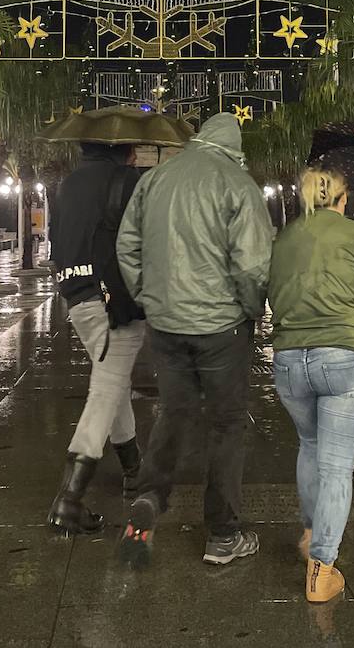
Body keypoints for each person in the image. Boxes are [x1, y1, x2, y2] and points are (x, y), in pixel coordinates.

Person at [116, 112, 273, 567]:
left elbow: (127, 246)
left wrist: (148, 295)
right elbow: (252, 266)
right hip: (222, 327)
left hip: (166, 324)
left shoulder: (155, 179)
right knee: (226, 425)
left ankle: (150, 495)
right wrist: (251, 310)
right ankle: (223, 533)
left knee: (174, 411)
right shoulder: (238, 184)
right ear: (234, 145)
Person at [269, 166, 354, 603]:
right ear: (343, 200)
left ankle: (311, 535)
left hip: (290, 360)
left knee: (310, 446)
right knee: (337, 467)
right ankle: (321, 571)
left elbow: (271, 294)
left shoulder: (285, 238)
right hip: (343, 358)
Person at [46, 142, 145, 535]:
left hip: (76, 296)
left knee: (113, 380)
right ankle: (69, 500)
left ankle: (134, 468)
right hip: (114, 300)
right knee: (106, 388)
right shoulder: (126, 180)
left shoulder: (69, 184)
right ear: (122, 149)